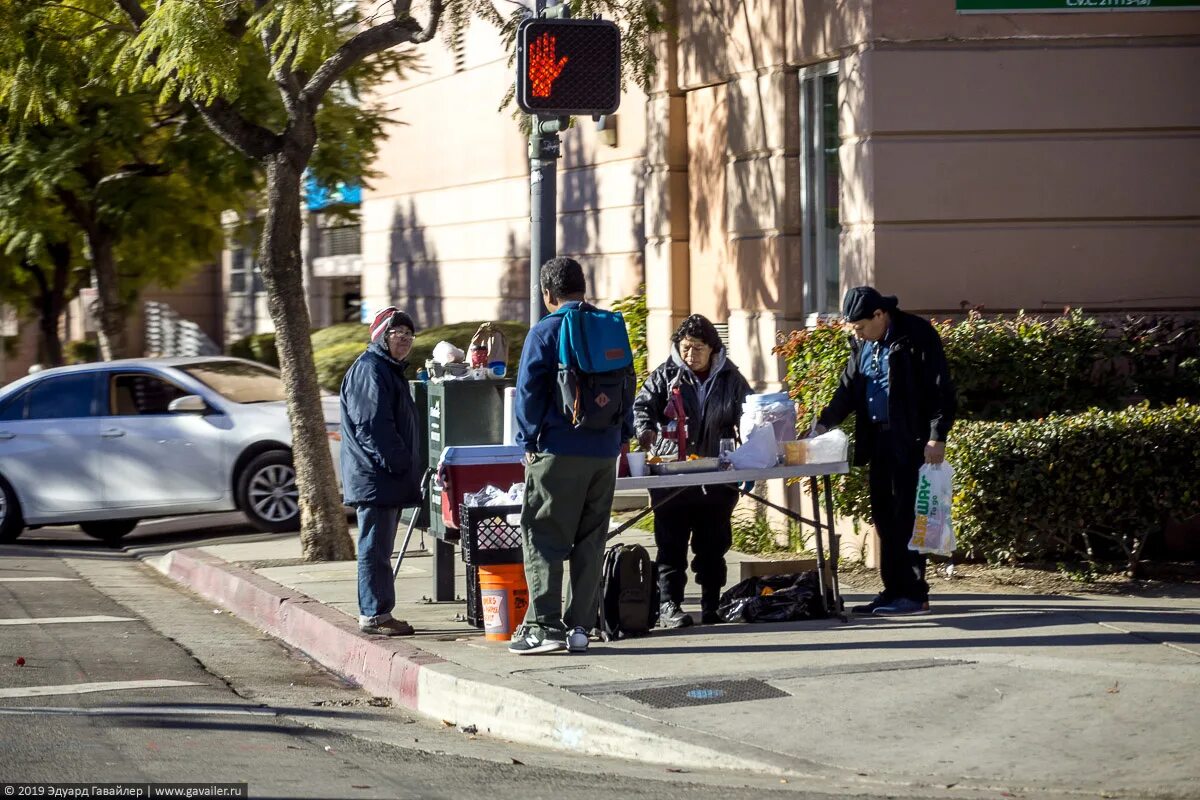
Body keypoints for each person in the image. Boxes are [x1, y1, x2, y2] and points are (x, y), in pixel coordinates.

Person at [511, 257, 635, 655]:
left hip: (558, 449)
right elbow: (629, 383)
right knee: (590, 540)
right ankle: (579, 627)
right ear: (584, 287)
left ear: (548, 294)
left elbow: (529, 393)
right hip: (604, 452)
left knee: (544, 535)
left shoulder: (545, 332)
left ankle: (544, 626)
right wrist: (622, 436)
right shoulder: (609, 327)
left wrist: (527, 442)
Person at [812, 287, 956, 616]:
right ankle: (893, 590)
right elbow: (848, 390)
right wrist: (821, 426)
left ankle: (914, 593)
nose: (858, 334)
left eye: (861, 326)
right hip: (877, 440)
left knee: (909, 517)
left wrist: (937, 435)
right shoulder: (863, 344)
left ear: (880, 315)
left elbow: (940, 388)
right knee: (884, 518)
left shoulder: (916, 335)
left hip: (911, 440)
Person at [634, 314, 753, 627]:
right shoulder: (664, 376)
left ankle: (711, 605)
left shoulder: (730, 378)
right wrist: (645, 431)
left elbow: (752, 414)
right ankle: (669, 606)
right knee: (670, 546)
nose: (690, 355)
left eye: (697, 348)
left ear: (712, 349)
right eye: (685, 348)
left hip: (716, 476)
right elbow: (641, 409)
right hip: (673, 477)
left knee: (713, 545)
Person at [339, 307, 423, 636]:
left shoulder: (386, 369)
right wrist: (400, 462)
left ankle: (380, 612)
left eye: (408, 334)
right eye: (396, 333)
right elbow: (372, 427)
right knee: (374, 549)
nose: (403, 339)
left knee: (380, 549)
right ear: (380, 336)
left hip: (383, 476)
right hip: (376, 477)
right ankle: (374, 615)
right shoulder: (370, 369)